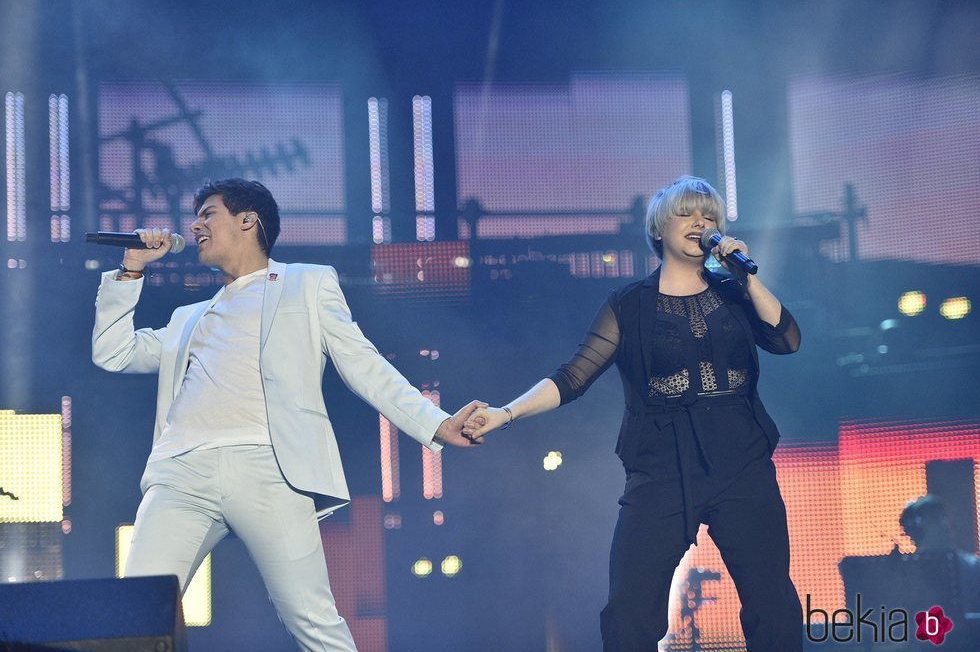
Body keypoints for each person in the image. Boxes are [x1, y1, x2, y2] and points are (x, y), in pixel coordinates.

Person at [92, 178, 482, 651]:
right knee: (135, 619)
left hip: (272, 470)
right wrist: (132, 268)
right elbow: (113, 353)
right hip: (180, 475)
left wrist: (435, 422)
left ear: (247, 220)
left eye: (207, 213)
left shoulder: (307, 283)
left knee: (315, 623)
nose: (194, 225)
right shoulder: (187, 318)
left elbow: (363, 363)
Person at [463, 176, 804, 651]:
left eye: (709, 217)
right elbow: (572, 377)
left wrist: (746, 277)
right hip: (661, 466)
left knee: (773, 603)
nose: (700, 223)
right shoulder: (629, 305)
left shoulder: (734, 293)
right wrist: (506, 412)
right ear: (660, 228)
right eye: (687, 214)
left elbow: (786, 339)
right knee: (628, 612)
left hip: (741, 460)